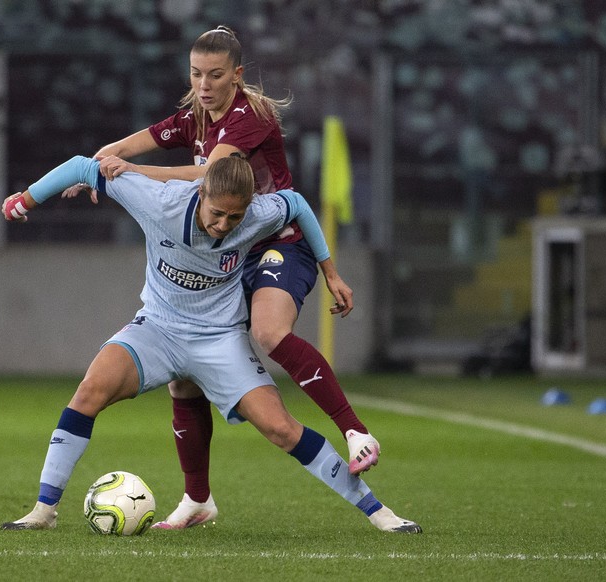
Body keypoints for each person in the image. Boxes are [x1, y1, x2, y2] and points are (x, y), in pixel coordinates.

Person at [0, 154, 421, 534]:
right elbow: (81, 167)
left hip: (220, 339)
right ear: (200, 194)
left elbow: (296, 205)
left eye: (234, 219)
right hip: (157, 330)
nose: (223, 225)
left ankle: (378, 511)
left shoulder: (258, 212)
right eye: (217, 213)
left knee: (280, 428)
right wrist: (26, 200)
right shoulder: (159, 202)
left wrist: (330, 271)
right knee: (89, 392)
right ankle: (43, 510)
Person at [63, 25, 380, 530]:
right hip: (230, 249)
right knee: (184, 381)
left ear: (237, 75)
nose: (204, 84)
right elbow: (133, 143)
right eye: (195, 74)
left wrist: (130, 175)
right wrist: (98, 167)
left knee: (268, 332)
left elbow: (208, 176)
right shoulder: (194, 116)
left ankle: (355, 432)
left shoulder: (249, 117)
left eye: (215, 75)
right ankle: (197, 499)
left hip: (278, 241)